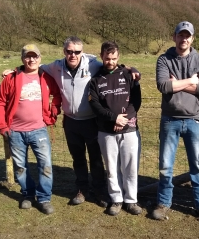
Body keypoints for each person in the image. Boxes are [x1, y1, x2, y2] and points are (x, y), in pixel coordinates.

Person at [40, 36, 140, 207]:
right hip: (71, 121)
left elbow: (115, 65)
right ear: (64, 51)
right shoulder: (56, 66)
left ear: (82, 52)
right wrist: (16, 70)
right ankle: (82, 190)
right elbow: (35, 67)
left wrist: (133, 69)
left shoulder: (93, 63)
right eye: (69, 51)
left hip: (92, 120)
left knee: (96, 158)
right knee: (77, 158)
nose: (73, 55)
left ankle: (100, 191)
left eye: (77, 52)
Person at [152, 21, 199, 223]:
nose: (184, 39)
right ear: (174, 37)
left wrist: (177, 84)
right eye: (180, 35)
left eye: (187, 35)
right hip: (169, 120)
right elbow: (163, 86)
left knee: (197, 166)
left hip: (193, 121)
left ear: (192, 38)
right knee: (165, 165)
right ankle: (163, 204)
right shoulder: (164, 59)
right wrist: (191, 81)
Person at [0, 44, 61, 215]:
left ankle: (44, 198)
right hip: (15, 131)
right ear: (22, 58)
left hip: (39, 130)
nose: (31, 60)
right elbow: (0, 101)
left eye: (35, 56)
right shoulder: (11, 78)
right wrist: (3, 124)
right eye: (28, 56)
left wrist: (53, 111)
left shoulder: (46, 77)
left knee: (45, 165)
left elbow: (58, 95)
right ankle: (28, 194)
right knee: (20, 167)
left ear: (40, 58)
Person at [89, 41, 142, 216]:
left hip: (129, 130)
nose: (110, 61)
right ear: (101, 56)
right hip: (106, 131)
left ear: (118, 57)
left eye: (113, 58)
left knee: (130, 167)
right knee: (111, 168)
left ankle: (131, 200)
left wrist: (124, 119)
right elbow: (95, 105)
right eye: (107, 58)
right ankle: (116, 200)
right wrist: (113, 118)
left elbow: (136, 100)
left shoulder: (129, 75)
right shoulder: (95, 80)